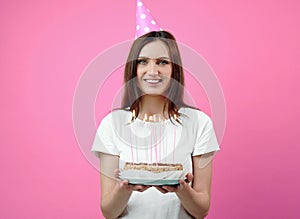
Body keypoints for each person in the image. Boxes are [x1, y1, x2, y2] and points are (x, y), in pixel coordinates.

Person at [91, 31, 220, 219]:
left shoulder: (199, 123)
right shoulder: (112, 124)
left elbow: (201, 210)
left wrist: (182, 189)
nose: (152, 71)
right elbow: (109, 211)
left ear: (174, 68)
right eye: (143, 61)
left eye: (162, 62)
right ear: (133, 68)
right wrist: (125, 188)